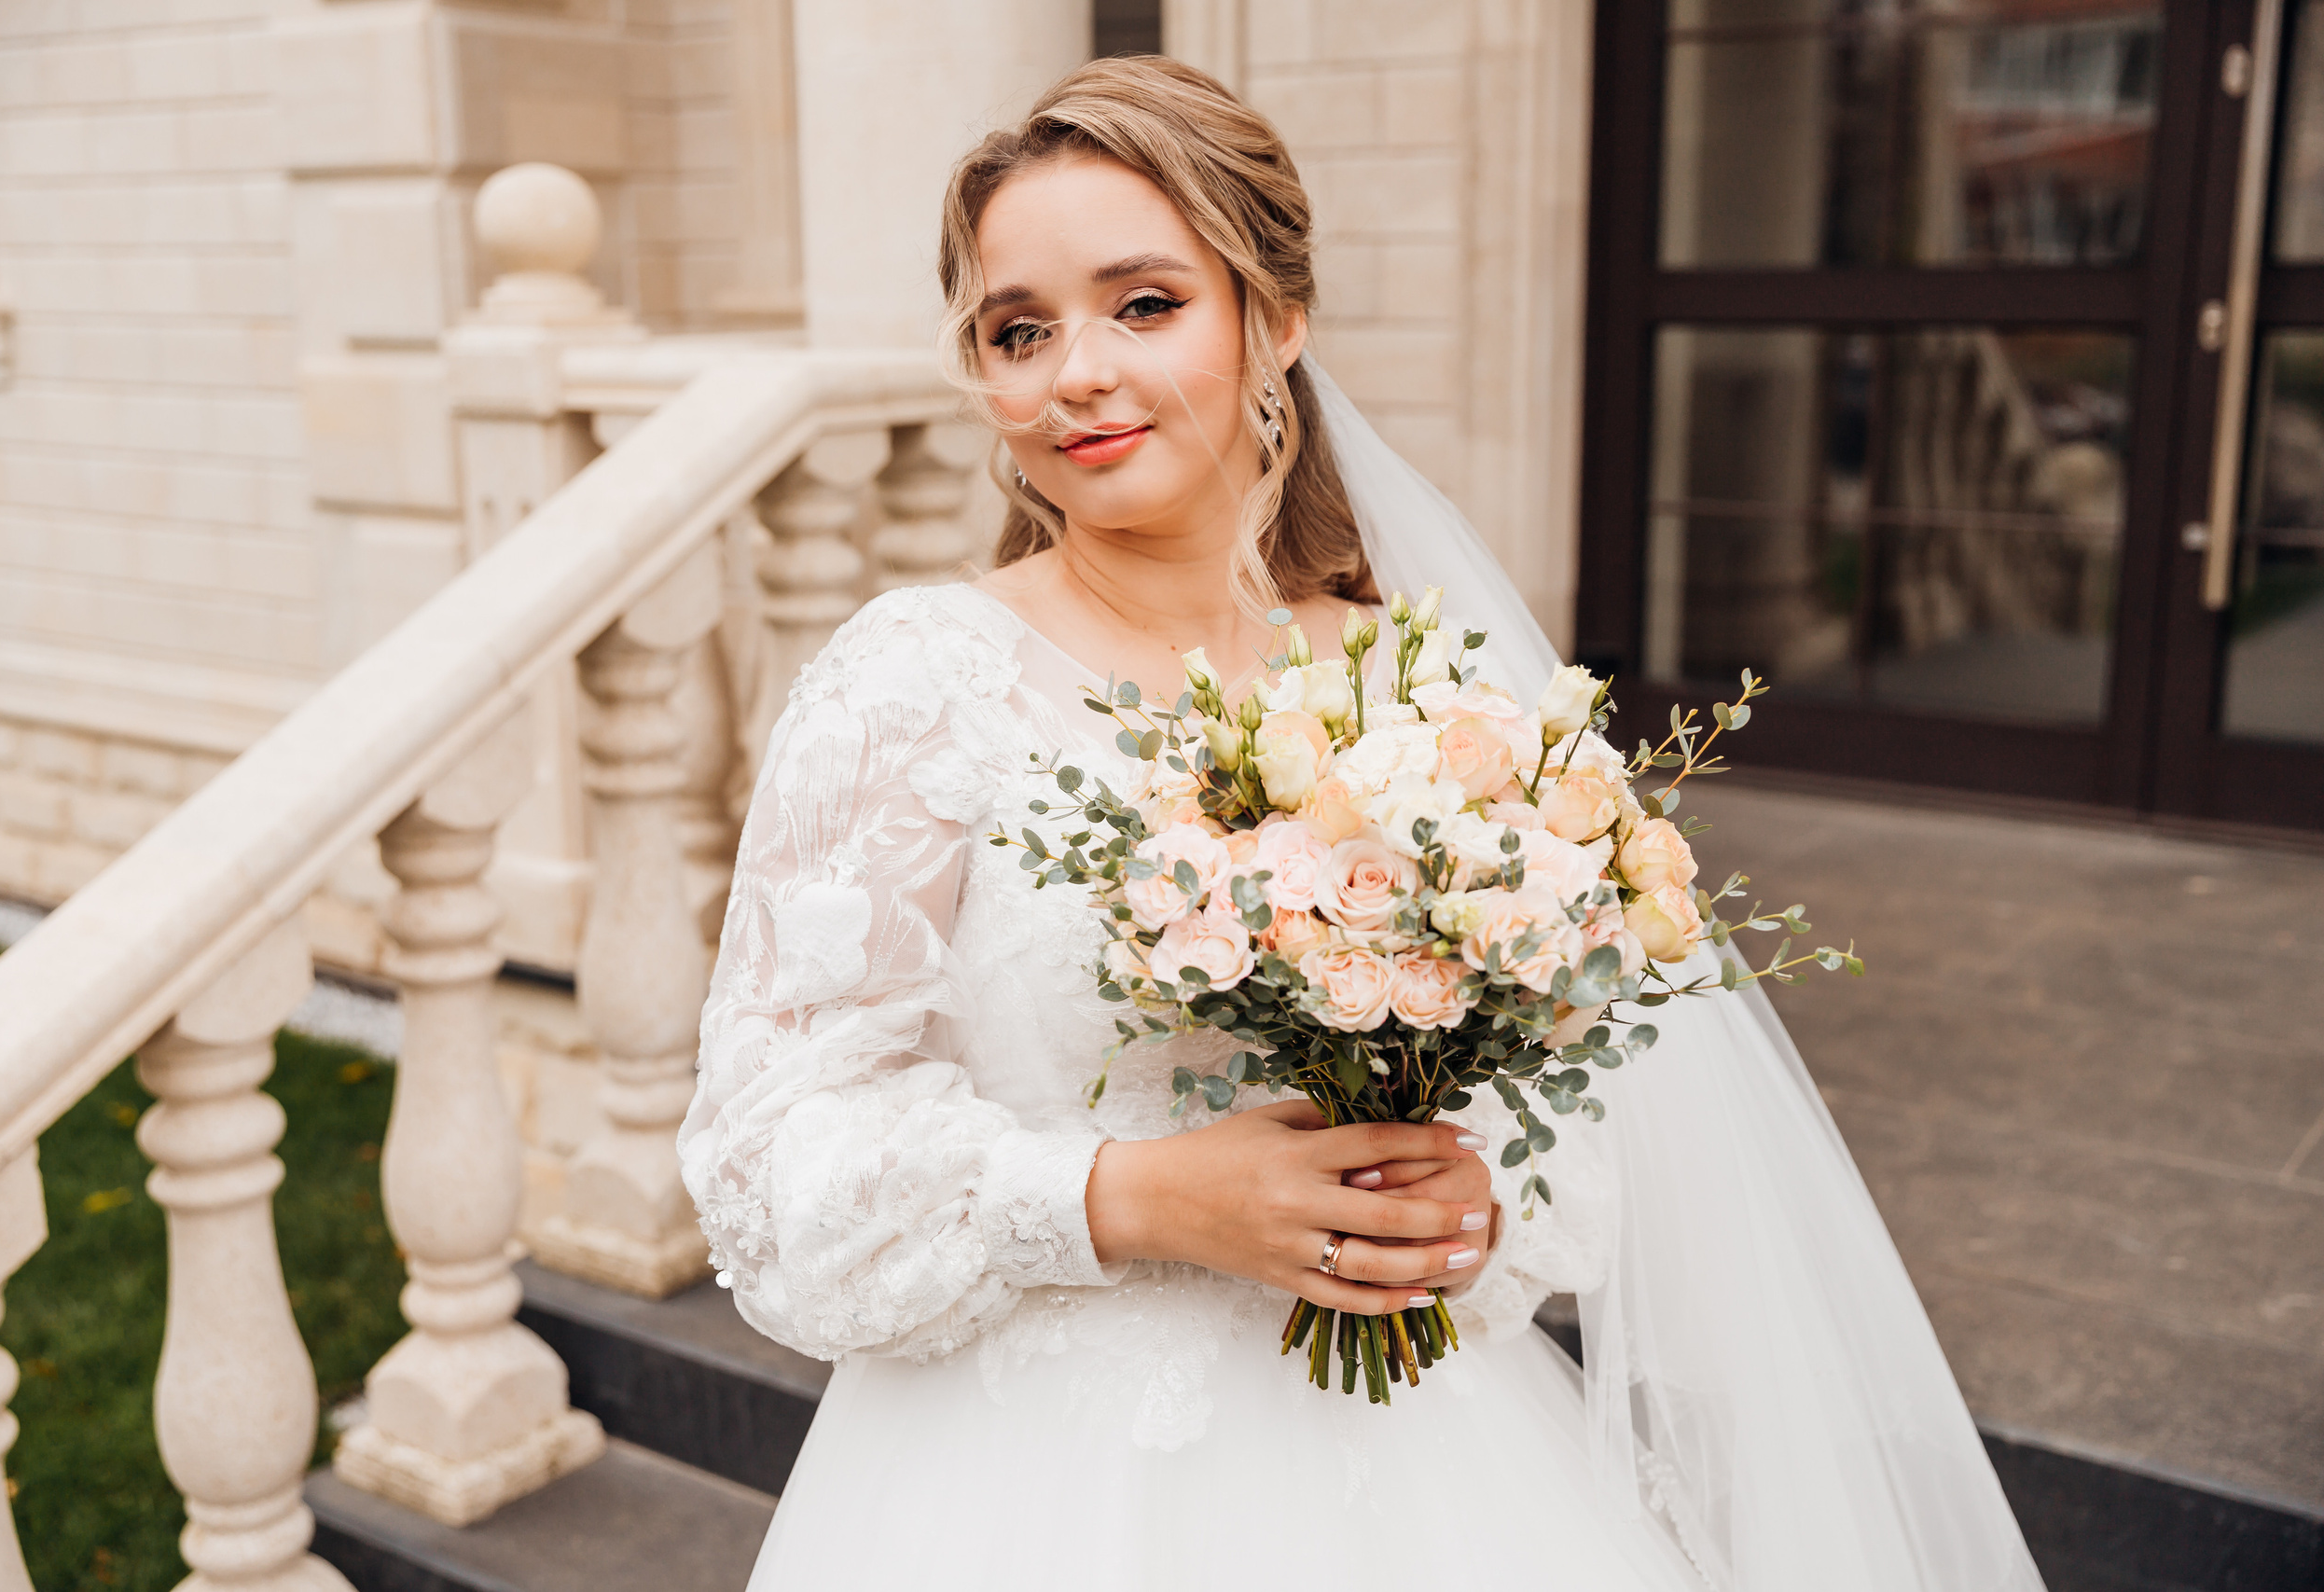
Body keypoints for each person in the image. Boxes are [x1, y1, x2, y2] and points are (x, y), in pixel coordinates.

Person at [679, 57, 2046, 1591]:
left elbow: (1577, 1115)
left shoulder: (1428, 689)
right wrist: (1126, 1197)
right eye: (1019, 329)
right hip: (1023, 1482)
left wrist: (1474, 1198)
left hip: (1416, 1467)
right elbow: (768, 1162)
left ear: (1276, 320)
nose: (1076, 371)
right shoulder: (912, 684)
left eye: (1144, 304)